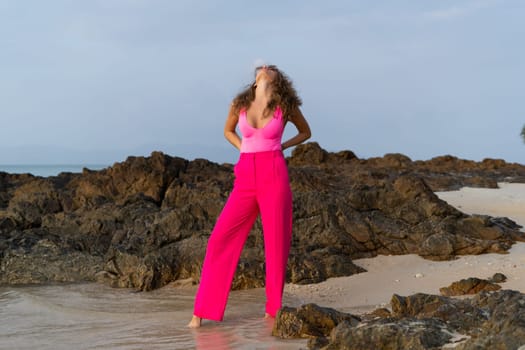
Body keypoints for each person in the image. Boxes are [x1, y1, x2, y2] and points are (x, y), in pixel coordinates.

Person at [188, 64, 311, 328]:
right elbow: (228, 131)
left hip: (274, 173)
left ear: (278, 80)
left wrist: (283, 146)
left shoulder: (285, 106)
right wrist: (243, 146)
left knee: (276, 244)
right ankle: (201, 312)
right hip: (245, 175)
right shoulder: (240, 103)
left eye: (272, 68)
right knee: (219, 239)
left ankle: (272, 312)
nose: (265, 68)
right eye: (262, 67)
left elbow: (306, 132)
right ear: (255, 79)